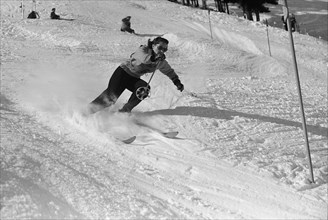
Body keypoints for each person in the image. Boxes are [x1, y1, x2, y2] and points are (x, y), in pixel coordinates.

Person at [85, 37, 184, 114]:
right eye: (160, 48)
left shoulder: (160, 62)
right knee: (110, 99)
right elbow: (144, 59)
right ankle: (87, 111)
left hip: (133, 78)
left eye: (165, 49)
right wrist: (154, 58)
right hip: (123, 73)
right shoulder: (143, 49)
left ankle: (125, 110)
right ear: (153, 45)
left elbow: (169, 71)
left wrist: (177, 82)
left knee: (143, 89)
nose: (162, 51)